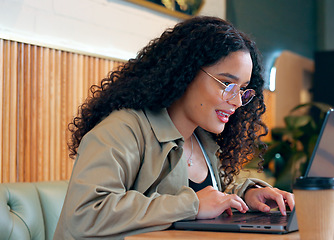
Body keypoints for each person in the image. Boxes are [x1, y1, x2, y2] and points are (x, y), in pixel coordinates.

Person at [54, 16, 294, 239]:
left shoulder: (202, 138)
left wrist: (245, 197)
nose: (237, 101)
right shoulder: (122, 129)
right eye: (228, 84)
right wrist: (192, 205)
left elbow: (203, 199)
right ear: (186, 72)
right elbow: (84, 214)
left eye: (243, 90)